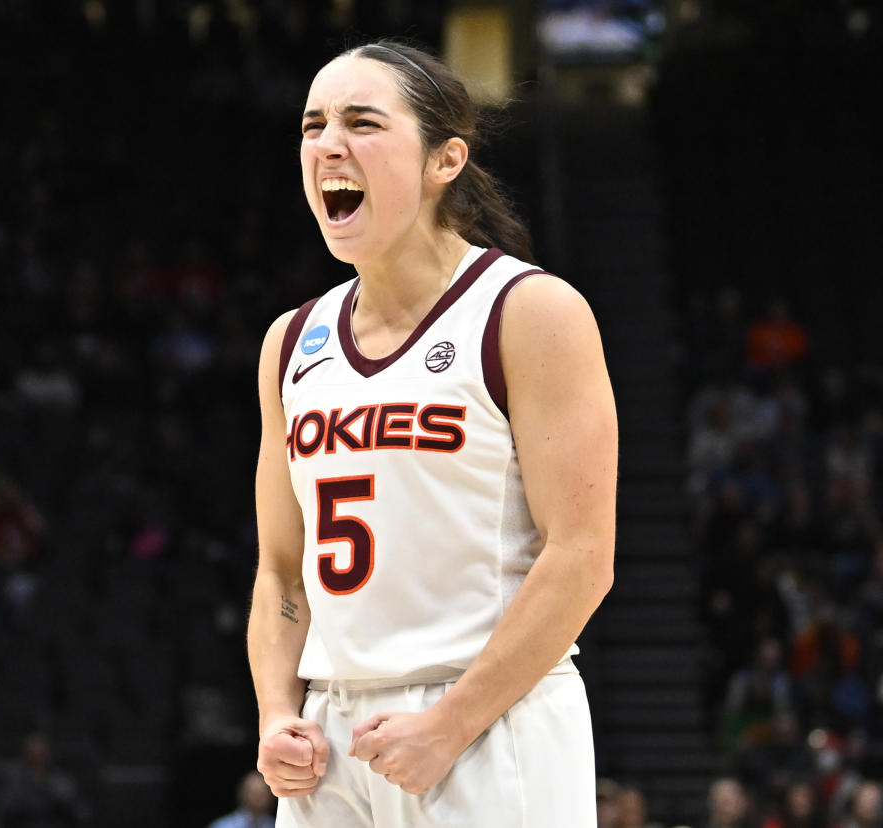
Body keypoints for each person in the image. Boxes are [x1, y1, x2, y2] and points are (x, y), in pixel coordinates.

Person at [247, 38, 617, 827]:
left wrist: (450, 725)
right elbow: (281, 572)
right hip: (332, 737)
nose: (328, 145)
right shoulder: (291, 342)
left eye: (362, 122)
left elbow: (583, 556)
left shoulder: (529, 313)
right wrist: (277, 712)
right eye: (313, 126)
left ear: (444, 160)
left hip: (487, 720)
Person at [207, 770, 276, 828]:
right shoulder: (222, 826)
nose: (258, 797)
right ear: (242, 793)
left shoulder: (277, 825)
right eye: (253, 792)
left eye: (262, 793)